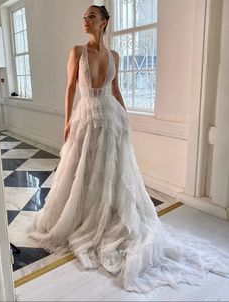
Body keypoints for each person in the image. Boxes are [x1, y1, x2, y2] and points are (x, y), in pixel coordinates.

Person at [29, 5, 229, 293]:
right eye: (84, 17)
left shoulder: (115, 56)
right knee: (82, 170)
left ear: (104, 22)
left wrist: (124, 117)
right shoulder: (76, 52)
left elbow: (115, 89)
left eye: (91, 17)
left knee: (110, 172)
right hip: (86, 118)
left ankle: (108, 217)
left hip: (111, 120)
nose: (85, 21)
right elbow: (70, 87)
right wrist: (66, 123)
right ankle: (83, 218)